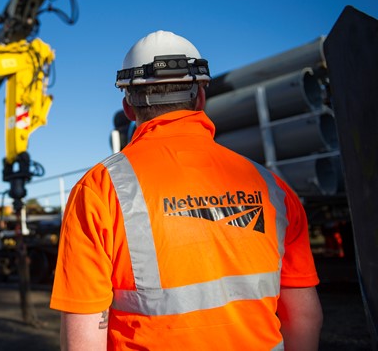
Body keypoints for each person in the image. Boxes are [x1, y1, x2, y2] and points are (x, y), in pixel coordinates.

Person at [50, 31, 323, 350]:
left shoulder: (98, 190)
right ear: (201, 97)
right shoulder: (273, 188)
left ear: (128, 106)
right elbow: (305, 317)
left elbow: (83, 340)